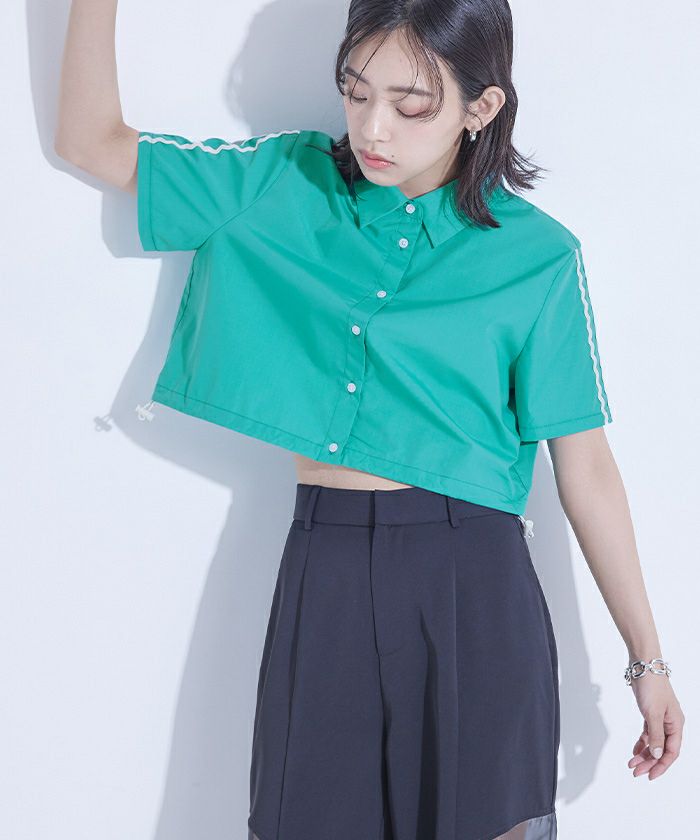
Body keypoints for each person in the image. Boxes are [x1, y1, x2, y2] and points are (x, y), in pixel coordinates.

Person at [54, 1, 685, 838]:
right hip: (328, 565)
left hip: (474, 582)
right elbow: (90, 141)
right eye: (356, 93)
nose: (372, 128)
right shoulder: (281, 183)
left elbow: (587, 468)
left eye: (411, 104)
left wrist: (647, 660)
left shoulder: (538, 257)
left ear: (481, 107)